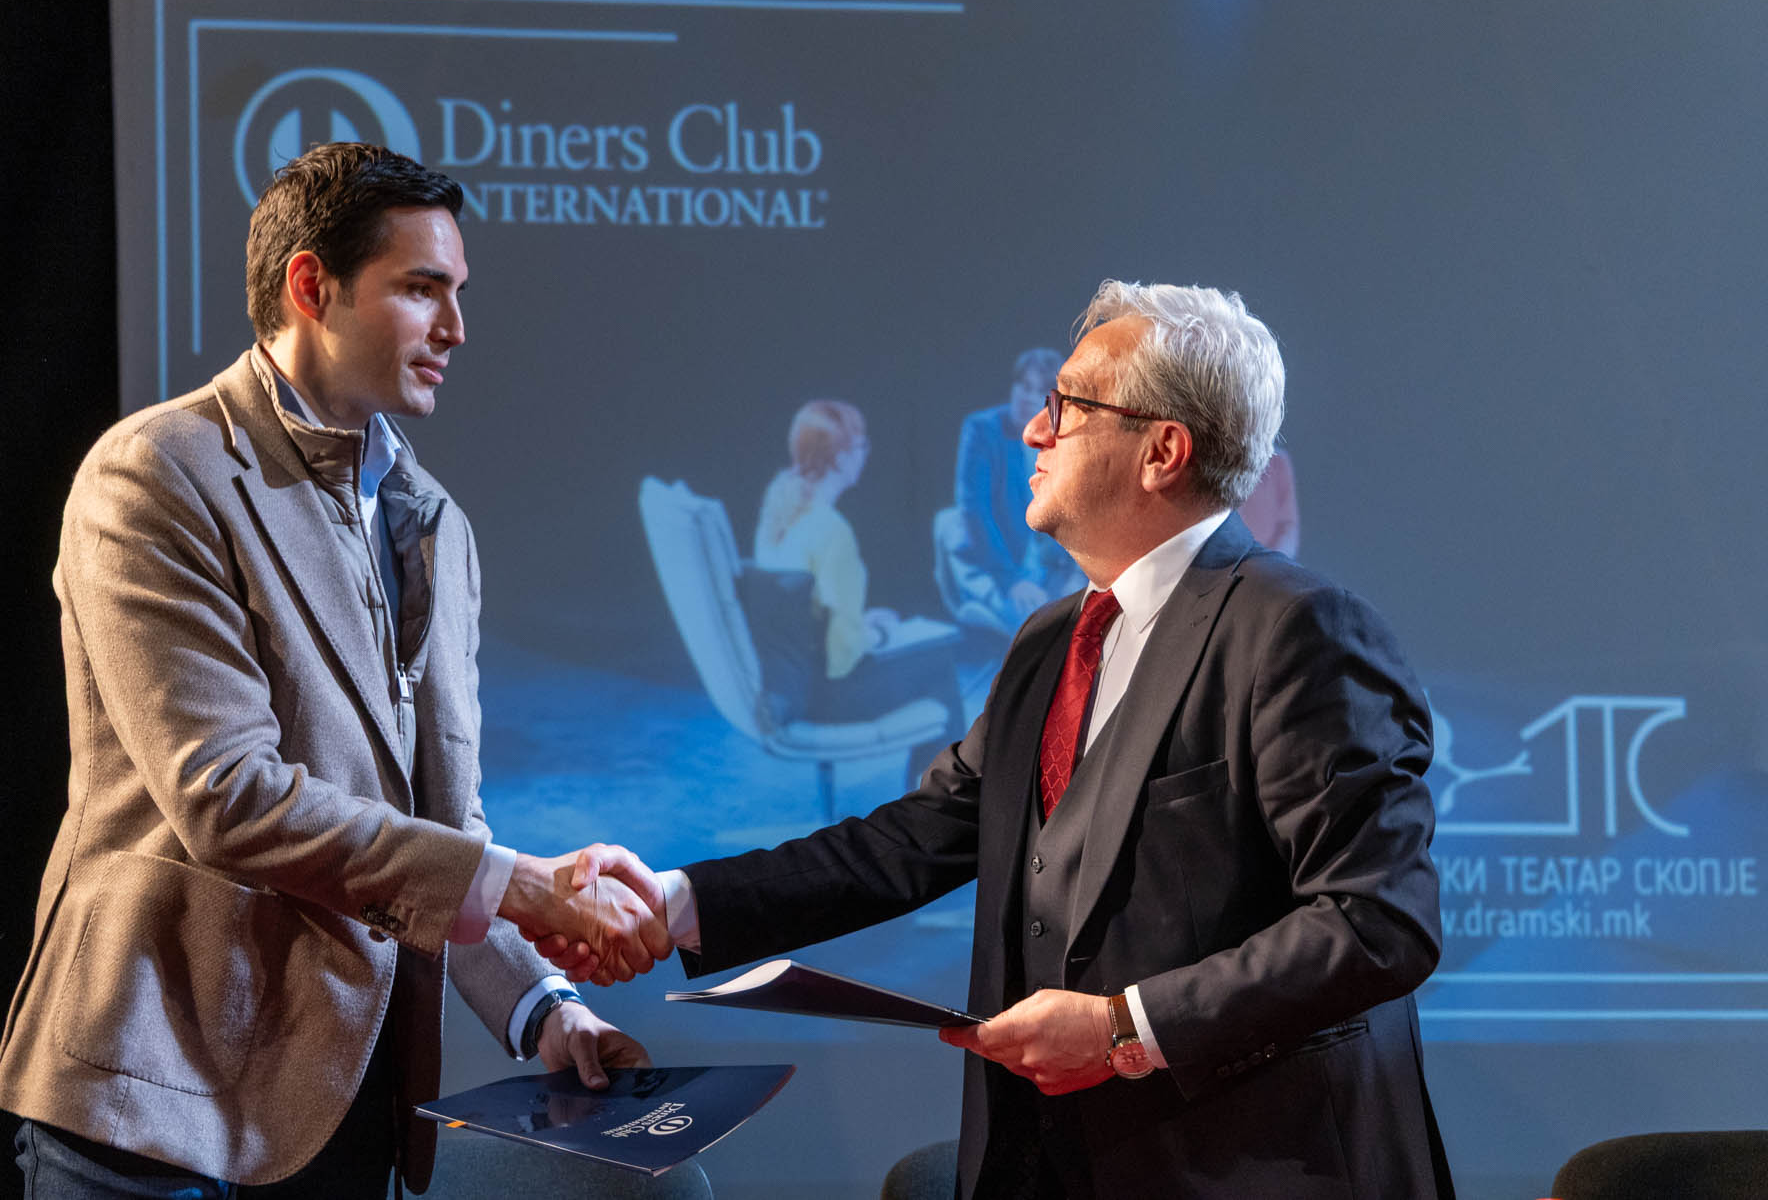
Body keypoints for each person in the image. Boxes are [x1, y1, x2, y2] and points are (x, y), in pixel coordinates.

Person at [552, 280, 1451, 1199]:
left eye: (1067, 406)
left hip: (1251, 1171)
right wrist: (676, 901)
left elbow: (1378, 919)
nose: (1031, 430)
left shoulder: (1301, 629)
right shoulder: (1050, 640)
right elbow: (913, 838)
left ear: (1162, 451)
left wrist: (1122, 1026)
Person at [0, 142, 670, 1198]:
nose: (455, 327)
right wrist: (528, 887)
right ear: (311, 286)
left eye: (457, 292)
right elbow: (228, 796)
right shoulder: (155, 475)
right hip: (154, 1105)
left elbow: (445, 830)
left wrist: (547, 1011)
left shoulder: (434, 523)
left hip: (343, 1106)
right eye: (421, 289)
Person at [750, 400, 965, 783]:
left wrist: (858, 622)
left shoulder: (778, 508)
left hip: (790, 683)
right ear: (839, 458)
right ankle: (941, 804)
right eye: (861, 444)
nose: (866, 453)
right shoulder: (832, 531)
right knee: (938, 663)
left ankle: (932, 799)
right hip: (827, 695)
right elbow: (843, 656)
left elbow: (800, 613)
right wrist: (878, 634)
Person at [946, 348, 1085, 632]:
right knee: (1036, 630)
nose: (1026, 397)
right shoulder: (982, 430)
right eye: (1023, 386)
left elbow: (1078, 512)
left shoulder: (1066, 435)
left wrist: (1074, 573)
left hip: (1050, 567)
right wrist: (1011, 581)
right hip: (999, 565)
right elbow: (975, 511)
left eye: (1038, 391)